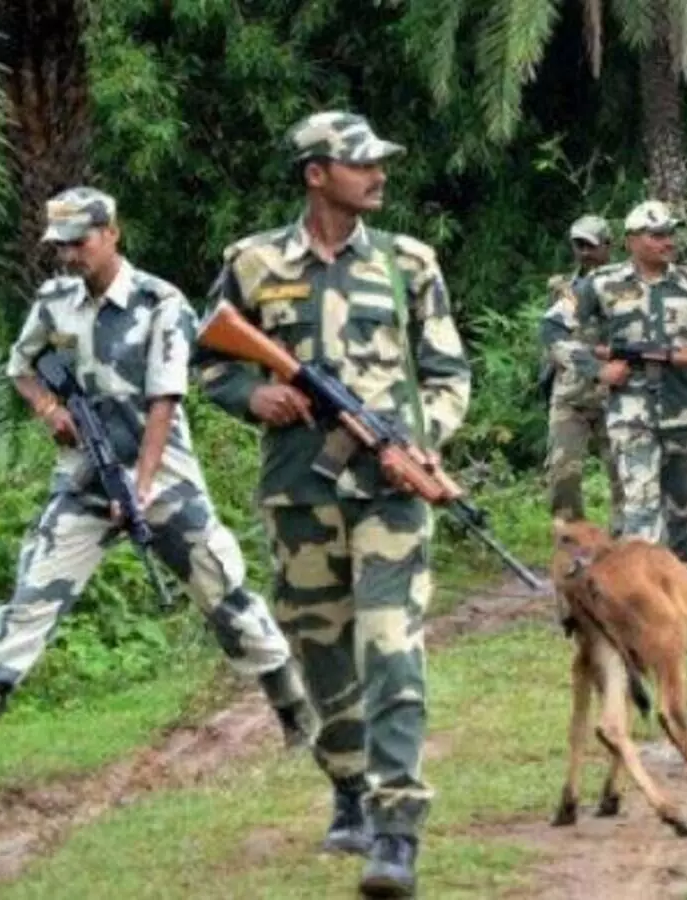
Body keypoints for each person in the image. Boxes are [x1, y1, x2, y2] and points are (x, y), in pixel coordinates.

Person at [0, 186, 312, 785]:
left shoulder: (160, 303)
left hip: (162, 479)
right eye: (61, 245)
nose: (70, 255)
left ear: (112, 233)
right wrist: (50, 412)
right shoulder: (54, 302)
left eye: (81, 242)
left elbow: (164, 405)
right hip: (82, 480)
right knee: (29, 602)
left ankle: (297, 716)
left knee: (224, 593)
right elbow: (22, 368)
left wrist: (142, 491)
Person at [195, 111, 471, 897]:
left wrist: (422, 440)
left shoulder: (409, 262)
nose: (378, 174)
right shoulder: (252, 264)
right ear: (317, 173)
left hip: (390, 492)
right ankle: (349, 784)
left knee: (389, 646)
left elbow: (449, 374)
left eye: (381, 162)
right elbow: (210, 362)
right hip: (299, 492)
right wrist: (257, 395)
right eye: (361, 163)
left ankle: (396, 827)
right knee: (321, 653)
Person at [543, 200, 687, 567]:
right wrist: (596, 369)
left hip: (686, 409)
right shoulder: (601, 283)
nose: (668, 241)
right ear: (632, 240)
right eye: (658, 235)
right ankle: (642, 596)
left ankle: (683, 588)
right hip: (630, 412)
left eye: (671, 233)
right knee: (640, 507)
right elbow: (553, 329)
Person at [539, 215, 624, 534]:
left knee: (624, 477)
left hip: (615, 394)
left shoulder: (626, 285)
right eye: (578, 245)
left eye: (590, 245)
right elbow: (551, 336)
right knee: (562, 475)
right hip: (571, 393)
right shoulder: (563, 289)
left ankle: (622, 544)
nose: (584, 252)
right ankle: (572, 539)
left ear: (608, 246)